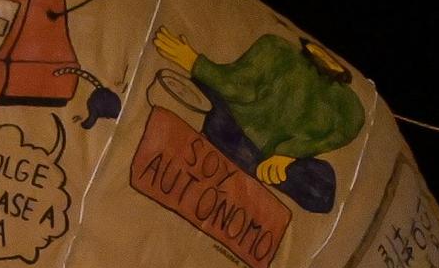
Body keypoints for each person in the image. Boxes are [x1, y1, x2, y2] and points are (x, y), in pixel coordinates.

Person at [153, 26, 365, 214]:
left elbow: (347, 128)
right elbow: (236, 88)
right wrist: (196, 65)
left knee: (318, 190)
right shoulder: (277, 49)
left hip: (252, 150)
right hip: (235, 132)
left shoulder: (347, 104)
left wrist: (289, 153)